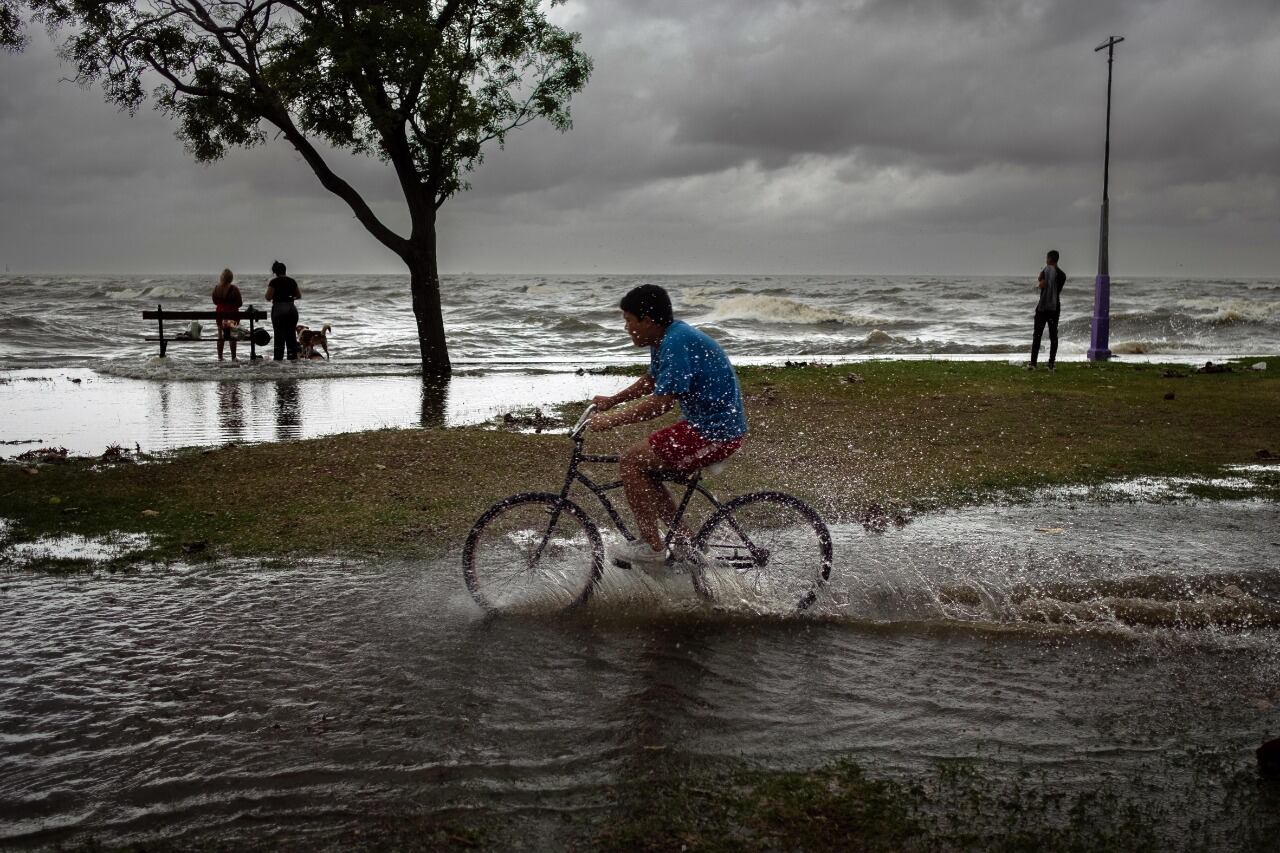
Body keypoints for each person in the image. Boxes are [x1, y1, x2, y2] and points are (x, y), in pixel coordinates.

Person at [589, 284, 748, 566]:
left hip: (717, 432)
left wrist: (612, 420)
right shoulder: (664, 338)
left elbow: (661, 403)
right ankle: (687, 544)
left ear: (647, 321)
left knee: (632, 461)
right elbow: (652, 380)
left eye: (628, 321)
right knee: (644, 468)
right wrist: (612, 401)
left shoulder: (676, 341)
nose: (626, 328)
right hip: (702, 426)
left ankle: (652, 549)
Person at [1029, 249, 1066, 370]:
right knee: (1053, 335)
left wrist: (1041, 281)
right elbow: (1056, 289)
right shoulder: (1062, 275)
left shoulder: (1046, 271)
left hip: (1043, 307)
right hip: (1055, 308)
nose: (1045, 260)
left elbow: (1040, 282)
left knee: (1037, 335)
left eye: (1046, 258)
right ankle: (1051, 363)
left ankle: (1033, 363)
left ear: (1049, 259)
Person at [265, 260, 301, 361]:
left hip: (278, 310)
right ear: (285, 270)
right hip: (291, 309)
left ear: (275, 272)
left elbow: (268, 297)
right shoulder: (292, 281)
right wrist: (290, 298)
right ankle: (292, 358)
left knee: (279, 336)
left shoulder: (273, 282)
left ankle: (278, 361)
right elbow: (299, 295)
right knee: (291, 336)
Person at [211, 268, 243, 361]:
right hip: (232, 316)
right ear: (231, 278)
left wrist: (222, 305)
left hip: (220, 315)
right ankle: (233, 357)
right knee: (232, 334)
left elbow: (214, 301)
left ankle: (220, 357)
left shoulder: (216, 288)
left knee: (220, 335)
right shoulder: (234, 289)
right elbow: (240, 303)